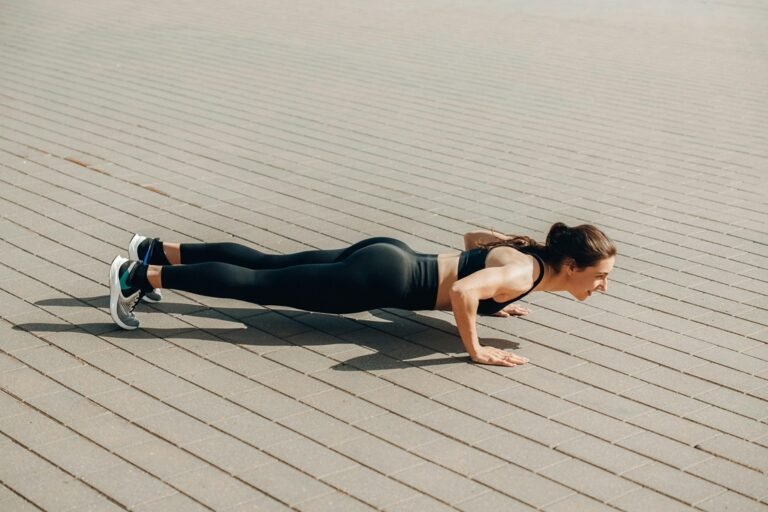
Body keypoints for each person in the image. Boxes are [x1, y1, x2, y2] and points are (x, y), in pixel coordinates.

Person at [109, 222, 616, 367]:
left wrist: (496, 301)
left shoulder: (522, 258)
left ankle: (156, 249)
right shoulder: (522, 273)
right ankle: (138, 277)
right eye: (598, 276)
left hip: (389, 253)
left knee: (265, 262)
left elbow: (471, 244)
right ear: (570, 266)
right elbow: (462, 290)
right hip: (378, 282)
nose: (602, 285)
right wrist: (476, 348)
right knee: (259, 285)